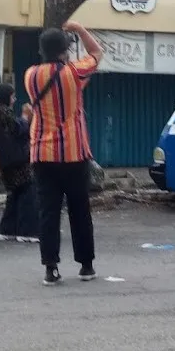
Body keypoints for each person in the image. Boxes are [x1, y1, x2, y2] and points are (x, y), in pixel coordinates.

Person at [25, 20, 103, 286]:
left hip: (42, 154)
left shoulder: (31, 76)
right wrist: (81, 29)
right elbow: (97, 54)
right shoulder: (73, 72)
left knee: (48, 212)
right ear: (65, 50)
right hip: (73, 152)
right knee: (80, 210)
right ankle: (86, 266)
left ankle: (51, 268)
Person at [0, 87, 38, 243]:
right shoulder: (4, 112)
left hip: (6, 160)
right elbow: (18, 129)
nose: (14, 99)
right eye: (12, 96)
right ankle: (27, 232)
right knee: (28, 192)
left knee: (15, 194)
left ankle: (7, 230)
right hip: (16, 160)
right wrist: (25, 117)